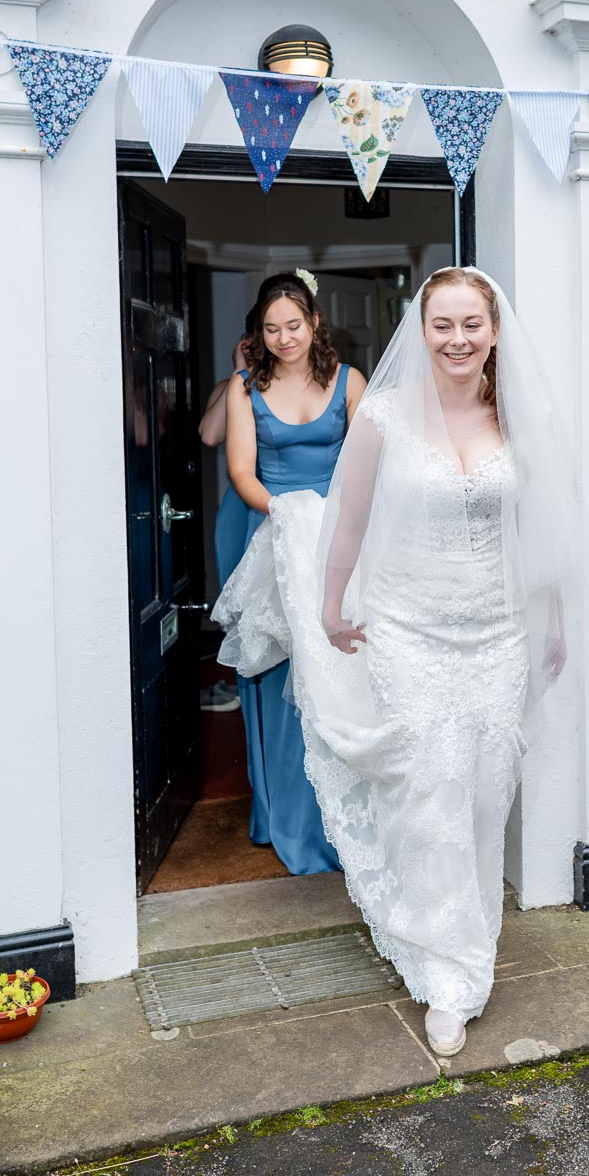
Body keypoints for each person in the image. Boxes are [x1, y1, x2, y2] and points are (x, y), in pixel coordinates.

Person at [215, 268, 575, 1057]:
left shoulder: (517, 416)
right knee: (431, 793)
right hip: (409, 628)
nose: (457, 339)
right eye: (442, 324)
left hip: (498, 632)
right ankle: (448, 976)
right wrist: (330, 604)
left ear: (493, 330)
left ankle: (461, 934)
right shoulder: (380, 413)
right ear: (422, 332)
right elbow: (348, 520)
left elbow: (541, 533)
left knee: (484, 796)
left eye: (470, 324)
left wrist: (554, 625)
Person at [221, 269, 367, 874]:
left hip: (344, 544)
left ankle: (352, 816)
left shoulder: (349, 381)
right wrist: (291, 514)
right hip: (277, 536)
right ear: (259, 332)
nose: (284, 337)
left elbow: (372, 462)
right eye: (271, 328)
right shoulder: (243, 387)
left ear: (314, 323)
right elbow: (241, 473)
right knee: (283, 680)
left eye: (294, 325)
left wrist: (341, 521)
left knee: (344, 671)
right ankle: (289, 818)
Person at [198, 336, 251, 713]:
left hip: (288, 505)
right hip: (240, 510)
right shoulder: (231, 387)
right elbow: (210, 434)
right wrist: (239, 371)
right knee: (246, 611)